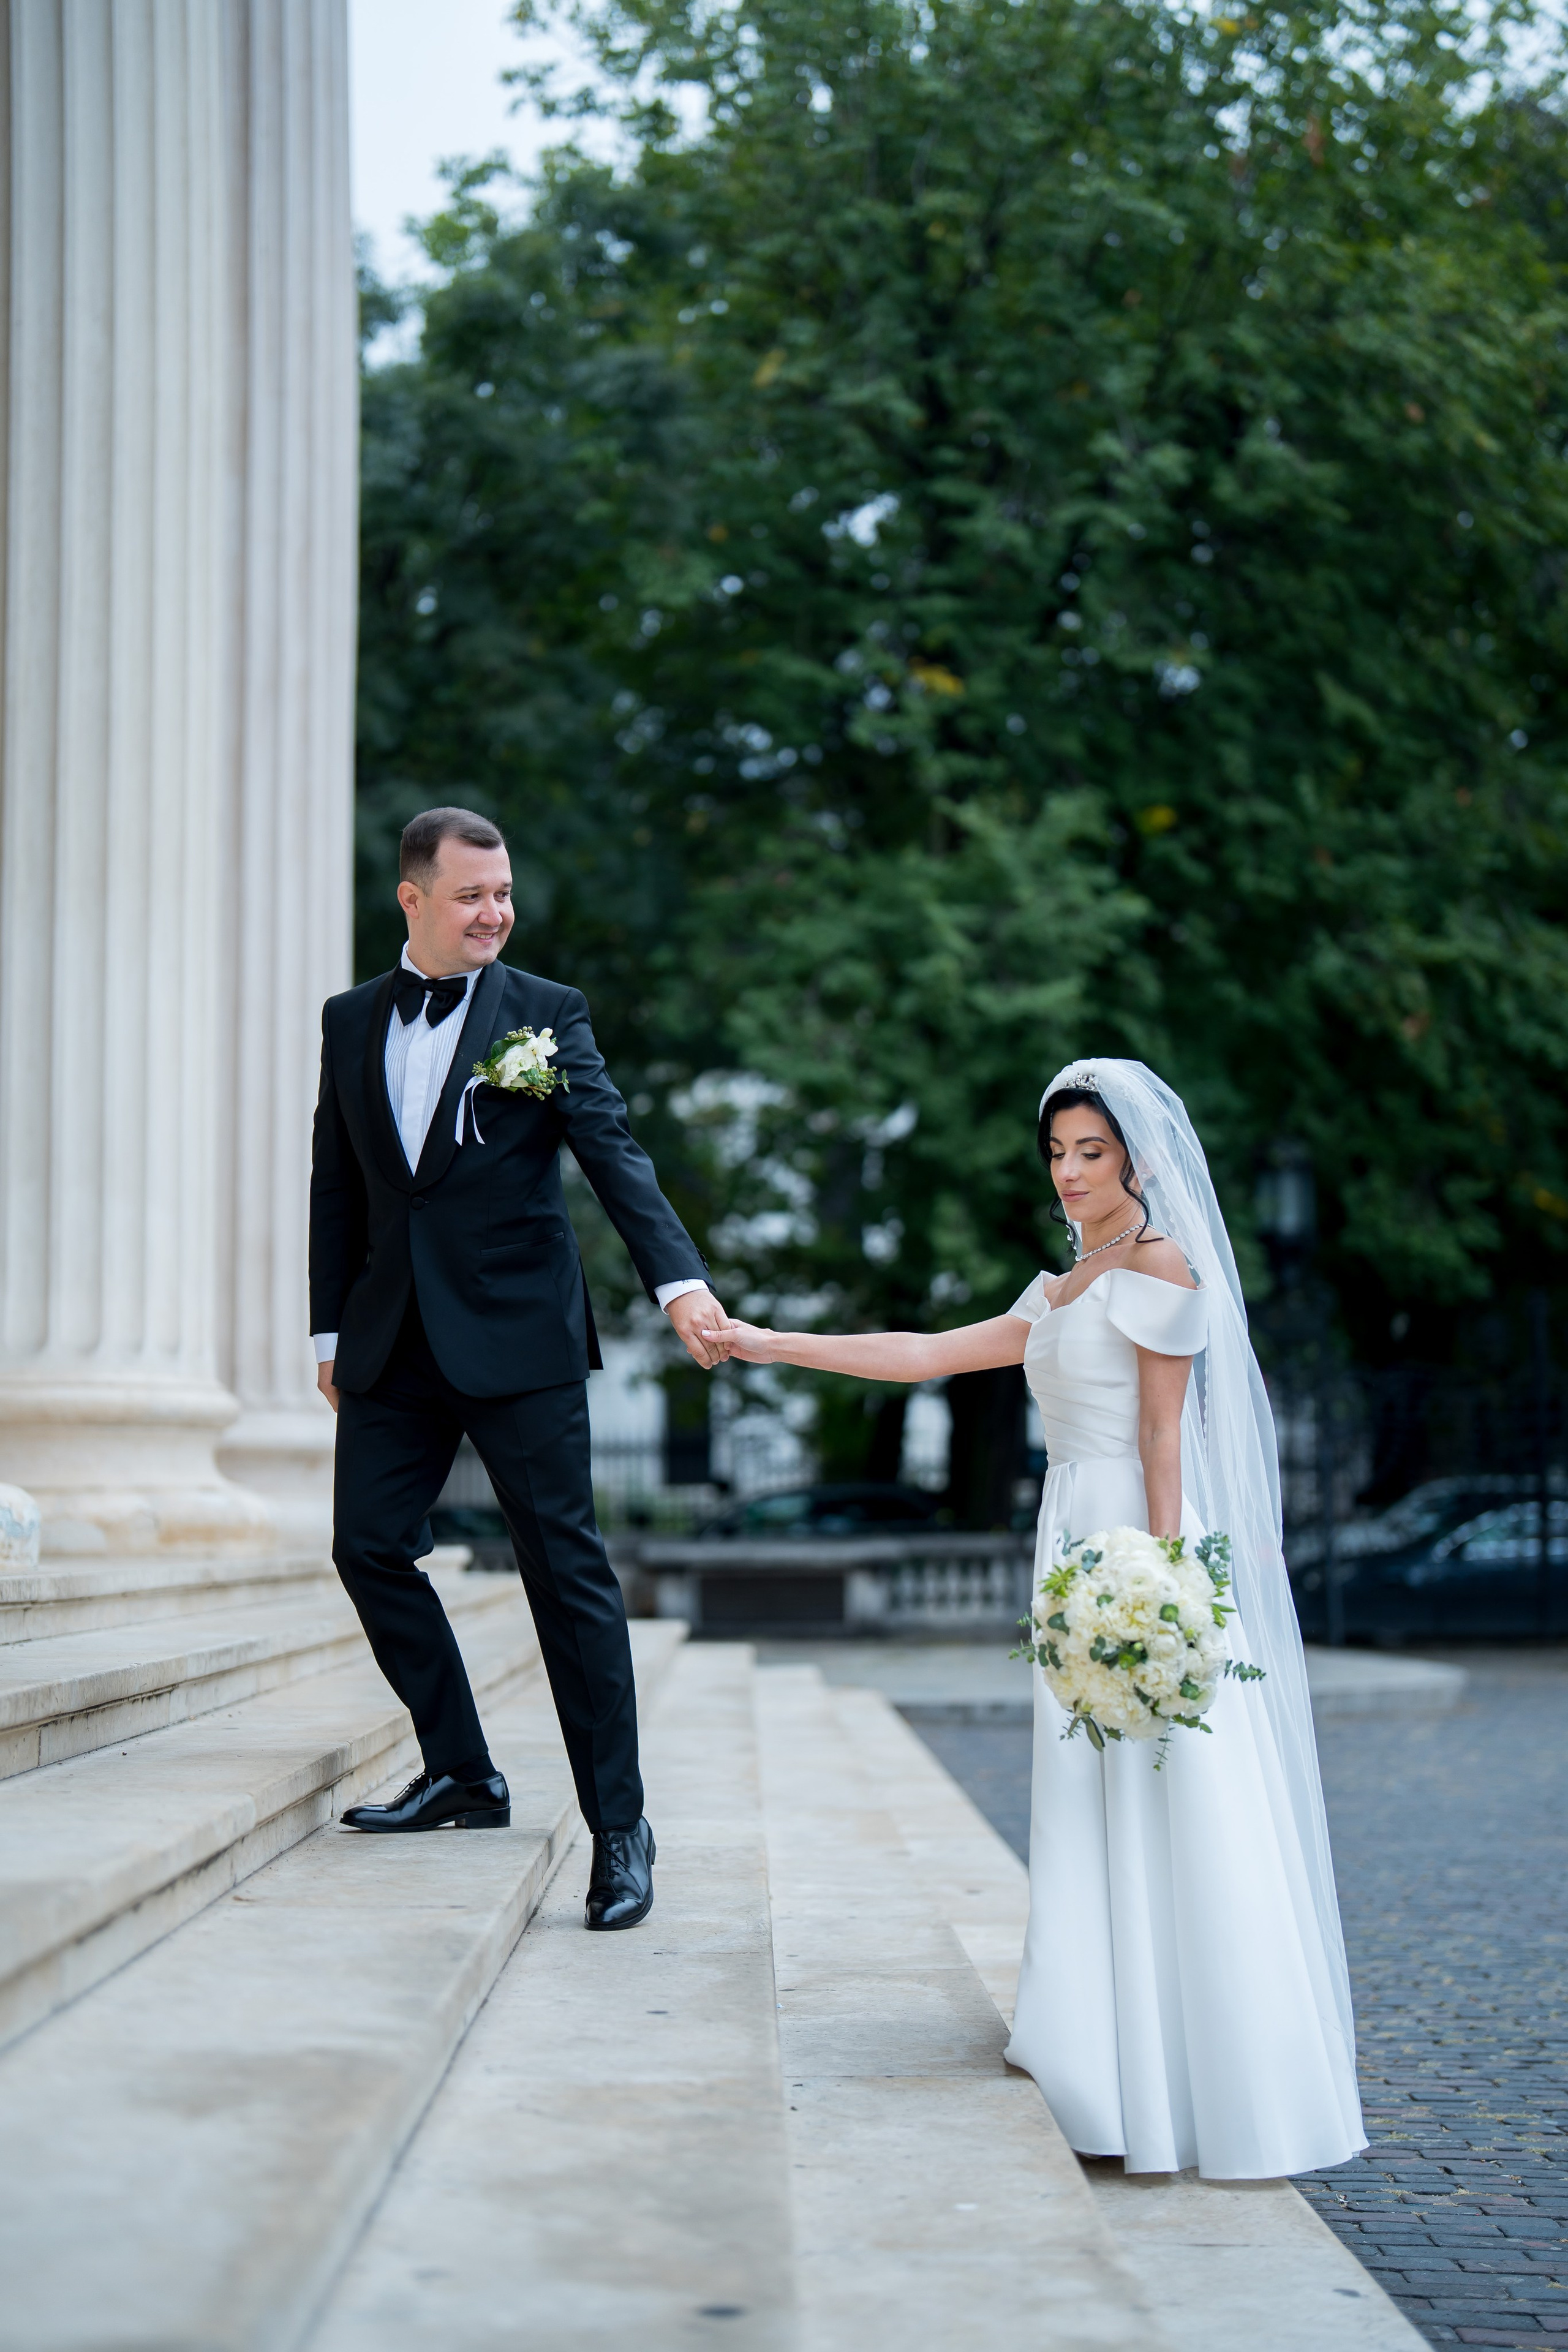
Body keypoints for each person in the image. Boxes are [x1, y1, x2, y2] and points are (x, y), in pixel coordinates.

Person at [701, 1059, 1366, 2177]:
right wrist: (768, 1341)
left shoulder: (1159, 1264)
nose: (1067, 1173)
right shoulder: (1061, 1287)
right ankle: (1092, 2044)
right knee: (1080, 1791)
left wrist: (1167, 1595)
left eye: (1089, 1153)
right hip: (1068, 1547)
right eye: (1057, 1153)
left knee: (1167, 1794)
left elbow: (1166, 1438)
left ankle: (1186, 2074)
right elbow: (925, 1356)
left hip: (1130, 1551)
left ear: (1138, 1160)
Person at [309, 806, 721, 1931]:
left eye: (503, 896)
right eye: (471, 896)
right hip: (390, 1337)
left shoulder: (547, 1015)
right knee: (367, 1546)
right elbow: (338, 1182)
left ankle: (621, 1828)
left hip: (520, 1336)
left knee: (564, 1576)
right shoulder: (352, 1021)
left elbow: (613, 1154)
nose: (494, 914)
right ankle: (462, 1773)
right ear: (413, 899)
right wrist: (327, 1332)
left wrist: (678, 1282)